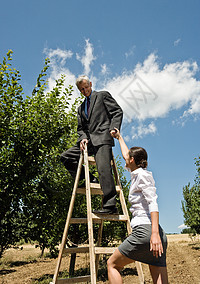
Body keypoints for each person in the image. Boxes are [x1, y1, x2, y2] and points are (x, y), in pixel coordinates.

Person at [107, 128, 168, 284]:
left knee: (112, 264)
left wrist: (154, 234)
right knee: (159, 279)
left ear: (132, 160)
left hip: (146, 232)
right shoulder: (137, 173)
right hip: (157, 233)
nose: (125, 158)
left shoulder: (142, 175)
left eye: (128, 158)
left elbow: (153, 202)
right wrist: (119, 137)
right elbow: (126, 153)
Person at [61, 75, 123, 214]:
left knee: (103, 169)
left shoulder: (102, 95)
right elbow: (80, 128)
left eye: (86, 87)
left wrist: (114, 128)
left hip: (102, 138)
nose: (85, 90)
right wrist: (83, 138)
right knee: (66, 156)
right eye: (81, 89)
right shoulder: (80, 108)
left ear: (91, 84)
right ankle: (88, 177)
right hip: (88, 143)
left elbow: (117, 111)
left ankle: (110, 206)